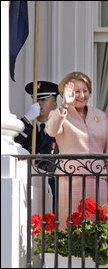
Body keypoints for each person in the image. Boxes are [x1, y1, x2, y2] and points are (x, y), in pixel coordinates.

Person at [46, 72, 108, 228]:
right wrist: (65, 105)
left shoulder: (100, 115)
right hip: (71, 181)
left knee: (98, 227)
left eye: (85, 91)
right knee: (72, 227)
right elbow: (52, 131)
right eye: (75, 92)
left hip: (98, 180)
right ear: (65, 94)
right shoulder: (59, 114)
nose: (81, 95)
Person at [15, 81, 59, 213]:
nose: (39, 103)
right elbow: (14, 143)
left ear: (54, 104)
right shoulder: (26, 128)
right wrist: (27, 120)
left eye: (44, 100)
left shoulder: (60, 127)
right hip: (31, 186)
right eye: (36, 100)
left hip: (54, 188)